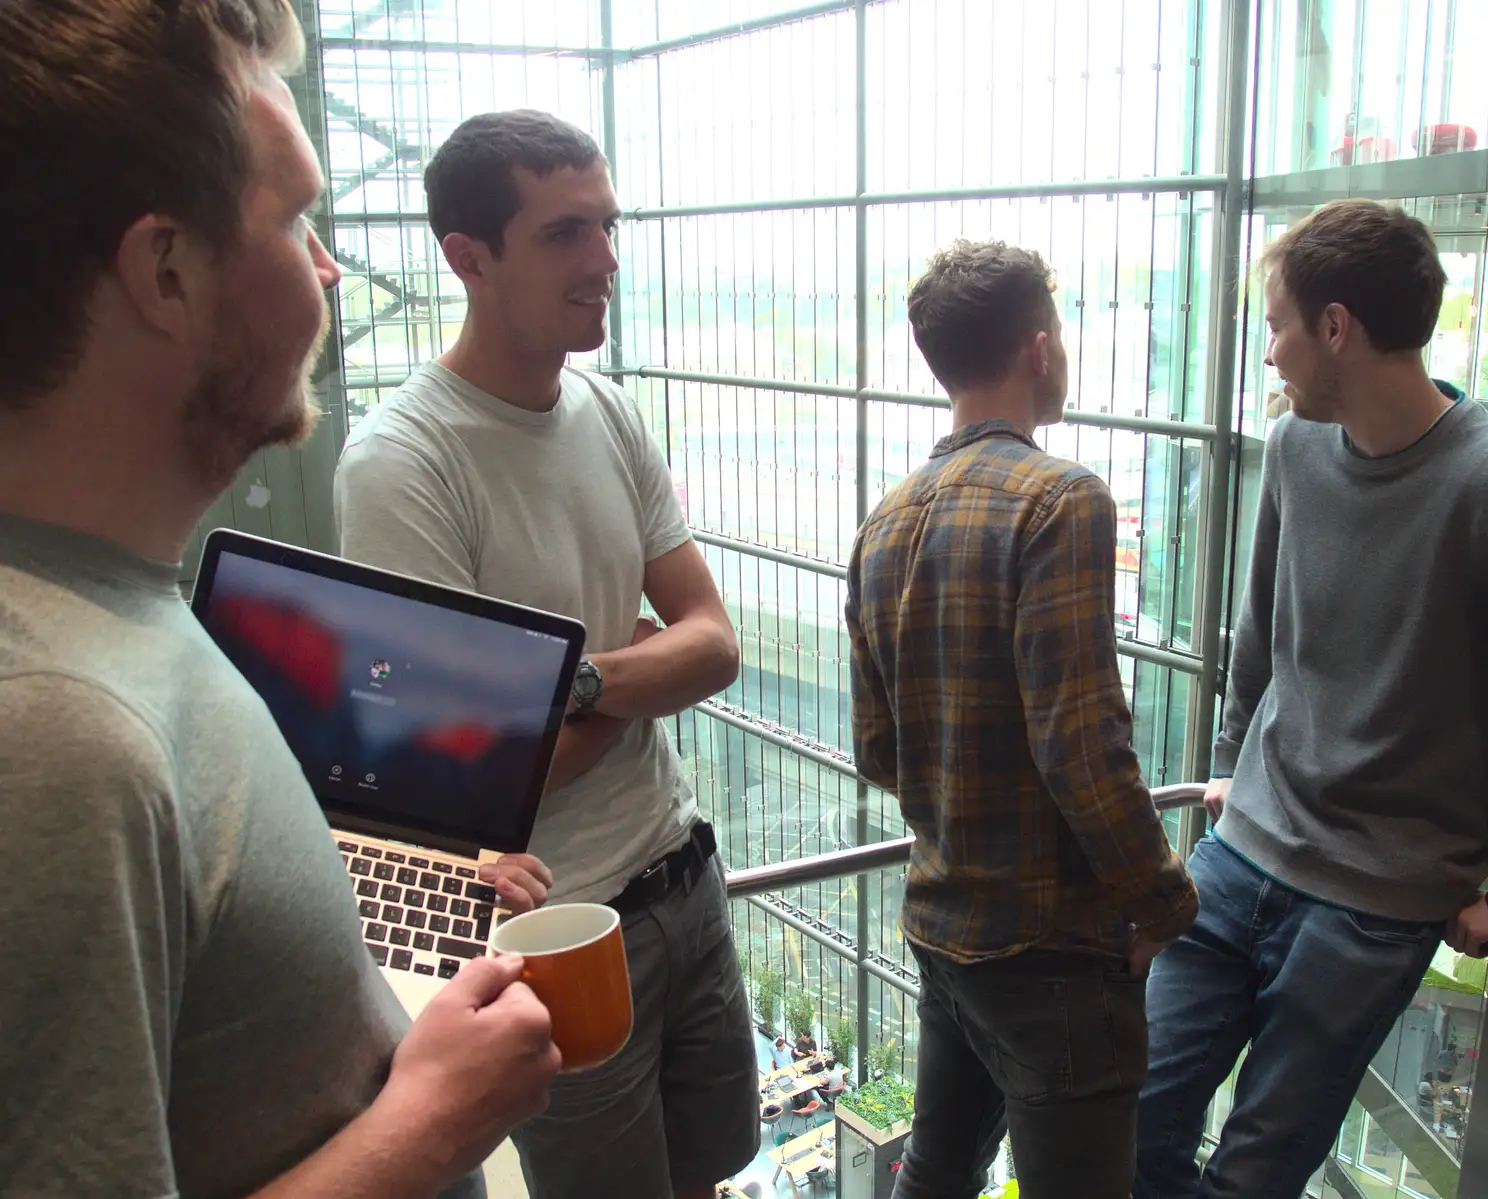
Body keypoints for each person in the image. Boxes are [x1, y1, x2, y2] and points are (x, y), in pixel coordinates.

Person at [0, 4, 564, 1197]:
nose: (328, 266)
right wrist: (432, 1116)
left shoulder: (108, 611)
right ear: (166, 269)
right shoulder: (52, 729)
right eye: (299, 216)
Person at [333, 109, 760, 1199]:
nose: (607, 259)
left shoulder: (608, 413)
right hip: (557, 930)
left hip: (682, 873)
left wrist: (563, 688)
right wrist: (632, 671)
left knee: (710, 1172)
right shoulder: (403, 464)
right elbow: (465, 780)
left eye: (607, 225)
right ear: (467, 258)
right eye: (567, 232)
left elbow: (714, 645)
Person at [1135, 199, 1488, 1199]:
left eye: (1275, 325)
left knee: (1254, 1171)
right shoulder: (1296, 450)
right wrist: (1228, 762)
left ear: (1335, 326)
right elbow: (1257, 634)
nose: (1269, 354)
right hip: (1237, 857)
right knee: (1129, 1119)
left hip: (1373, 907)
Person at [845, 240, 1200, 1199]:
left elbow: (876, 746)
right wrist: (1167, 897)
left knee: (938, 1171)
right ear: (1039, 350)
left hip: (944, 924)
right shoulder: (1060, 499)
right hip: (1052, 952)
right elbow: (1082, 747)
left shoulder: (883, 520)